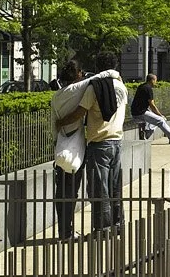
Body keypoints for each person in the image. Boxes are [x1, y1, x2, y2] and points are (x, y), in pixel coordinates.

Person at [58, 51, 126, 234]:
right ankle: (118, 225)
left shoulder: (94, 87)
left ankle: (102, 229)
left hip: (99, 143)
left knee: (99, 189)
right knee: (114, 187)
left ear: (98, 67)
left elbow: (80, 113)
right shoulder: (121, 85)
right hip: (117, 141)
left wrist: (60, 122)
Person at [49, 59, 86, 241]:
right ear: (78, 74)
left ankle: (63, 231)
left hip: (60, 146)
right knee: (72, 192)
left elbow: (55, 123)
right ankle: (67, 232)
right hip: (75, 148)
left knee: (61, 191)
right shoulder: (78, 90)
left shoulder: (56, 96)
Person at [134, 73, 170, 144]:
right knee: (161, 120)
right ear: (152, 80)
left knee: (156, 121)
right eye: (155, 80)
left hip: (137, 111)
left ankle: (145, 134)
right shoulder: (148, 89)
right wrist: (160, 115)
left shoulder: (141, 86)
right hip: (141, 113)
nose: (156, 83)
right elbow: (152, 105)